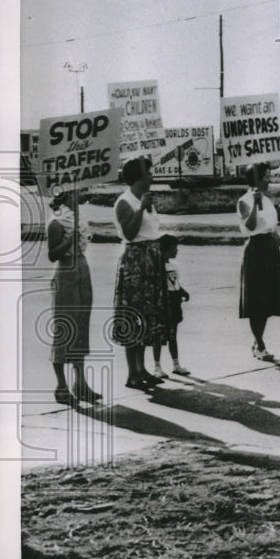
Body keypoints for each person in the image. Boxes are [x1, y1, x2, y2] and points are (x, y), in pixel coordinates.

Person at [112, 157, 168, 390]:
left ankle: (142, 368)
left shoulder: (145, 199)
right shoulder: (124, 202)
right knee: (134, 315)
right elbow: (131, 233)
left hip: (151, 260)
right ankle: (132, 372)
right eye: (149, 173)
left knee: (148, 316)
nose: (152, 177)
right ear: (138, 177)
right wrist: (141, 208)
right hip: (135, 261)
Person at [46, 189, 101, 404]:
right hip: (66, 272)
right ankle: (61, 385)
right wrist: (70, 241)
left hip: (82, 268)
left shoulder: (78, 219)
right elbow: (52, 254)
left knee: (80, 327)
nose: (84, 193)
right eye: (80, 190)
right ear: (68, 195)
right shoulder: (57, 221)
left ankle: (81, 383)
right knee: (64, 329)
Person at [239, 162, 280, 360]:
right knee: (256, 300)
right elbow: (251, 226)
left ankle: (257, 341)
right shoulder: (244, 201)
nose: (268, 180)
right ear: (256, 178)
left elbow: (271, 229)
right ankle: (260, 345)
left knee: (267, 299)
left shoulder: (267, 200)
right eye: (265, 176)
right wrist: (254, 203)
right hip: (255, 249)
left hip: (270, 249)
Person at [151, 234, 191, 378]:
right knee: (159, 336)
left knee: (173, 335)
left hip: (174, 303)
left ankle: (176, 364)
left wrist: (182, 291)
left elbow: (175, 284)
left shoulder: (174, 267)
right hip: (163, 304)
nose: (177, 251)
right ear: (166, 249)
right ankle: (157, 367)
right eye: (174, 248)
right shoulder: (157, 267)